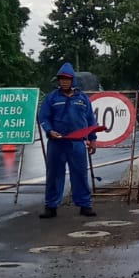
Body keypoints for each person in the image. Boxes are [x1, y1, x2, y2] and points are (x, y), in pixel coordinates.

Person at [37, 63, 99, 218]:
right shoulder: (51, 98)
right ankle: (51, 206)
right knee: (54, 175)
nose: (64, 82)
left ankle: (84, 205)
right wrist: (50, 131)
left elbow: (91, 121)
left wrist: (93, 139)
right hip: (57, 143)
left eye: (67, 79)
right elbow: (43, 117)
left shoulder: (83, 98)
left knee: (80, 174)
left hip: (77, 143)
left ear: (73, 80)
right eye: (61, 79)